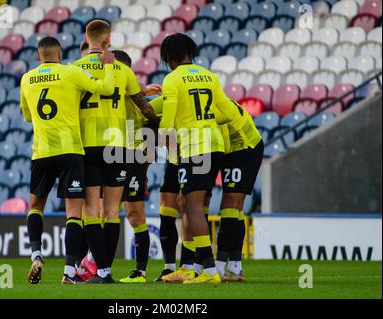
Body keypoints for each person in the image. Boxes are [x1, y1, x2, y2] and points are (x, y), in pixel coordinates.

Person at [20, 36, 115, 285]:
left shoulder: (26, 78)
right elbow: (105, 88)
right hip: (71, 149)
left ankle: (36, 254)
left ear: (38, 57)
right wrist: (107, 64)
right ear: (60, 55)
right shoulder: (71, 72)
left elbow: (28, 117)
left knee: (35, 205)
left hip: (41, 151)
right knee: (74, 213)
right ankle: (69, 272)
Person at [72, 20, 160, 284]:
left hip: (87, 145)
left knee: (91, 211)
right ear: (107, 40)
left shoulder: (73, 70)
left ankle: (100, 272)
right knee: (111, 212)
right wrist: (153, 133)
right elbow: (144, 108)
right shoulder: (122, 70)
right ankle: (106, 272)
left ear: (86, 40)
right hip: (118, 147)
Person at [158, 33, 245, 284]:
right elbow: (228, 112)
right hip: (215, 143)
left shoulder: (172, 79)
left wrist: (163, 138)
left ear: (169, 56)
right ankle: (194, 266)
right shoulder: (209, 76)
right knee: (194, 204)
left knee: (191, 205)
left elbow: (167, 122)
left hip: (194, 147)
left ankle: (207, 271)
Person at [216, 100, 263, 282]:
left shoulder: (216, 112)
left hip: (244, 150)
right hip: (247, 146)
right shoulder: (216, 100)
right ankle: (235, 266)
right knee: (235, 209)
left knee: (229, 206)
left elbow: (225, 148)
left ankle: (219, 267)